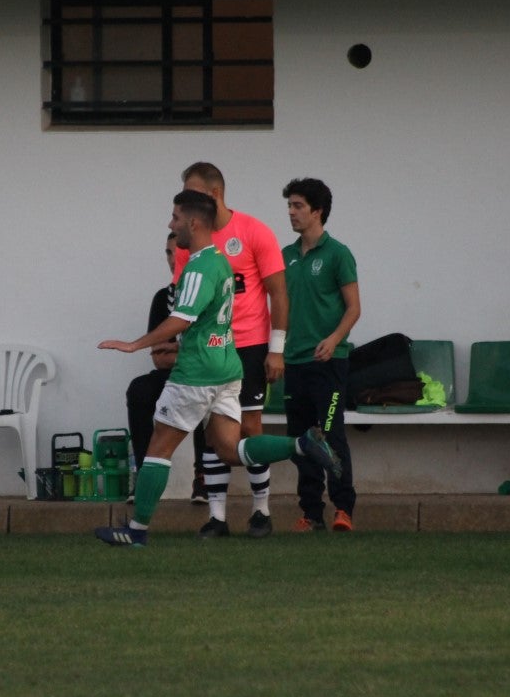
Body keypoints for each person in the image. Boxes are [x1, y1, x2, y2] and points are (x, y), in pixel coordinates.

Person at [95, 190, 341, 547]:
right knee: (229, 448)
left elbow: (182, 317)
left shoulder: (196, 267)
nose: (171, 224)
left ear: (193, 223)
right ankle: (301, 445)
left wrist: (136, 343)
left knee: (158, 449)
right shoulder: (223, 263)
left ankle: (135, 530)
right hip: (228, 368)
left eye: (175, 217)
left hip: (196, 373)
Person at [173, 162, 288, 538]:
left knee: (250, 429)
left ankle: (261, 511)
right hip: (210, 348)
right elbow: (184, 300)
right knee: (213, 432)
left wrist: (276, 349)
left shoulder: (254, 232)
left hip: (251, 346)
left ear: (215, 194)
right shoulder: (186, 243)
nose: (186, 202)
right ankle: (217, 517)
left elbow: (278, 293)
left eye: (193, 192)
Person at [280, 178, 361, 531]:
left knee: (330, 433)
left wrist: (334, 339)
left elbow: (354, 308)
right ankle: (311, 513)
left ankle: (343, 509)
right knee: (301, 440)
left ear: (318, 211)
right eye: (290, 206)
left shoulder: (338, 253)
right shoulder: (284, 256)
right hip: (293, 363)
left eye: (298, 206)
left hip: (328, 363)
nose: (291, 212)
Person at [124, 233, 208, 503]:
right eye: (168, 254)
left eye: (177, 253)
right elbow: (158, 358)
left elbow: (210, 352)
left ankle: (203, 480)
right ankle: (144, 476)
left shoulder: (207, 290)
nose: (172, 260)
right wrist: (185, 351)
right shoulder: (163, 298)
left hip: (204, 376)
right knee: (139, 390)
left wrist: (175, 349)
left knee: (206, 395)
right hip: (170, 376)